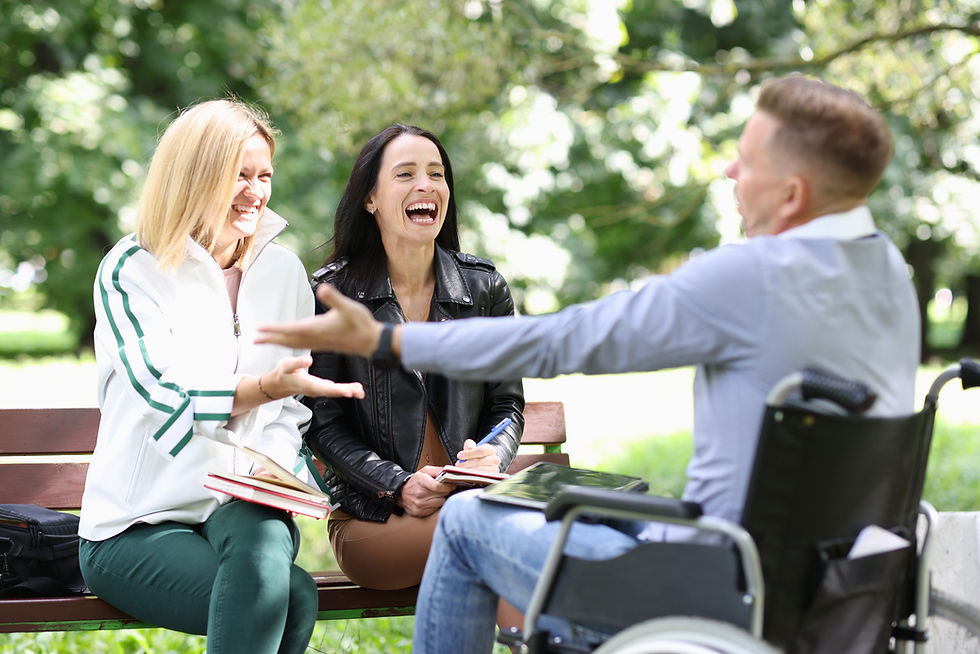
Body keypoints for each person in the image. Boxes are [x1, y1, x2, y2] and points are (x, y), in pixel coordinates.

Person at [256, 74, 921, 653]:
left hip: (710, 585)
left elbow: (562, 339)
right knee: (567, 506)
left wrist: (390, 342)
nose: (729, 174)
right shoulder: (891, 275)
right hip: (834, 589)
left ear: (793, 193)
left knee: (464, 524)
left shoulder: (749, 276)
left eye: (745, 163)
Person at [78, 99, 364, 654]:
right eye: (239, 175)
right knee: (296, 598)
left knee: (264, 538)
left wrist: (270, 472)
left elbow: (291, 410)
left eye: (264, 176)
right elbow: (160, 395)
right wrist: (262, 389)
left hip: (240, 506)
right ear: (195, 175)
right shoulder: (132, 268)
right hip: (135, 526)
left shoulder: (283, 272)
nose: (255, 192)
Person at [302, 124, 525, 594]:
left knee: (487, 540)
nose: (426, 185)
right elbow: (321, 424)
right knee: (507, 543)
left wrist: (494, 457)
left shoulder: (484, 289)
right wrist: (397, 483)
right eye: (405, 174)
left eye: (436, 174)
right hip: (378, 519)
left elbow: (507, 406)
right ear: (370, 199)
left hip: (471, 501)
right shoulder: (335, 294)